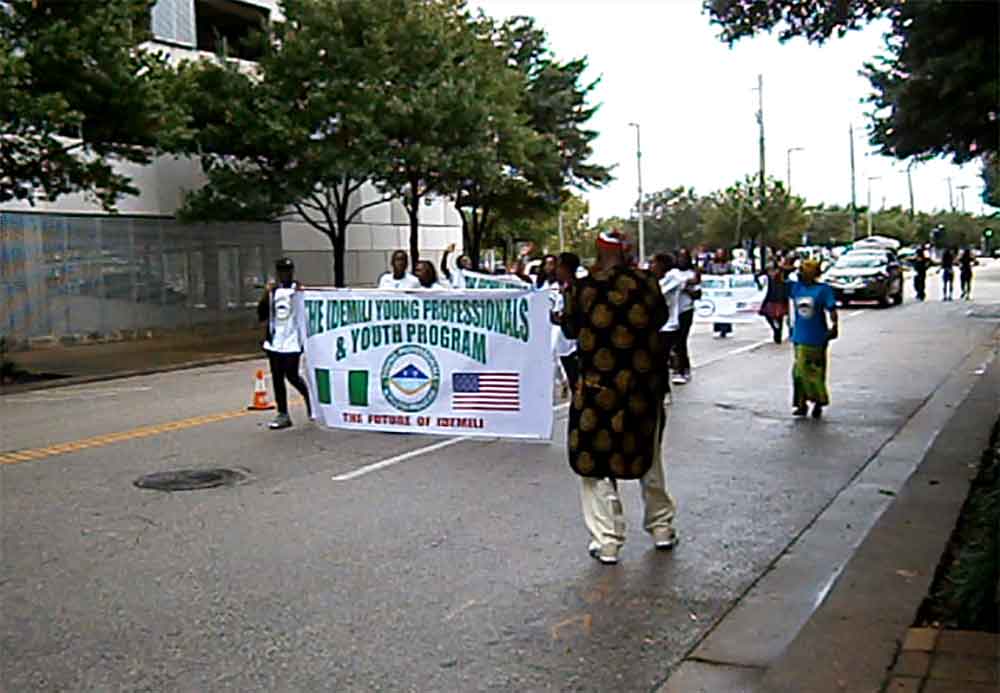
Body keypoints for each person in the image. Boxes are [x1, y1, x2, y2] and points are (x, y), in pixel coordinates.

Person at [561, 230, 676, 565]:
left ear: (598, 252)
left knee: (594, 462)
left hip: (598, 390)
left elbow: (569, 328)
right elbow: (661, 319)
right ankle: (661, 527)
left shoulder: (583, 288)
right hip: (643, 387)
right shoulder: (646, 283)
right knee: (647, 456)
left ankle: (607, 539)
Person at [257, 257, 311, 430]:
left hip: (292, 341)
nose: (284, 274)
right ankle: (283, 413)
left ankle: (311, 401)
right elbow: (261, 314)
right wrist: (266, 294)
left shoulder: (298, 290)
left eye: (287, 270)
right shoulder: (274, 291)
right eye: (281, 271)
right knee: (277, 377)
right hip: (275, 341)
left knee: (292, 375)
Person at [788, 258, 839, 419]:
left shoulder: (823, 290)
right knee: (799, 373)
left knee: (815, 372)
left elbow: (831, 309)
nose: (800, 274)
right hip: (799, 336)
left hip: (817, 337)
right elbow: (777, 281)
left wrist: (834, 326)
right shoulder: (796, 288)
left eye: (804, 271)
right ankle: (802, 403)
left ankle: (817, 401)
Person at [552, 252, 582, 394]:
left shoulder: (576, 289)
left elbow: (575, 318)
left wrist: (560, 319)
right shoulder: (562, 289)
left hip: (574, 346)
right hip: (564, 346)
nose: (556, 270)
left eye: (558, 266)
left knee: (578, 386)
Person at [759, 257, 792, 344]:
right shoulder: (766, 274)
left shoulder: (782, 272)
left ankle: (778, 334)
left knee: (779, 317)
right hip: (770, 298)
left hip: (780, 298)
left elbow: (791, 270)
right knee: (768, 315)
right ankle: (775, 328)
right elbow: (757, 276)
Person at [705, 249, 733, 338]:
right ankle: (718, 328)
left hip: (726, 291)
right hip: (715, 290)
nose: (720, 255)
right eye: (718, 254)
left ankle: (725, 329)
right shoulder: (711, 264)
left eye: (721, 254)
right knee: (717, 309)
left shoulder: (728, 264)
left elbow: (732, 274)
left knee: (726, 309)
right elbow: (708, 274)